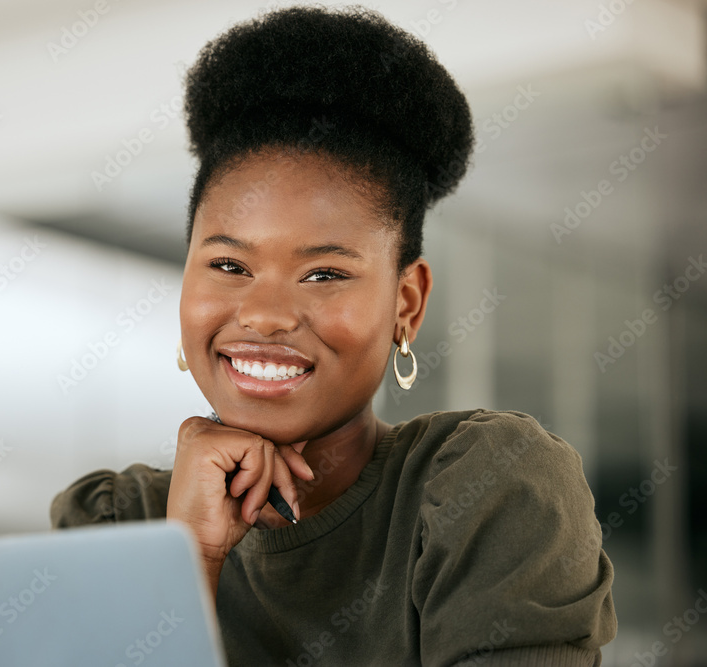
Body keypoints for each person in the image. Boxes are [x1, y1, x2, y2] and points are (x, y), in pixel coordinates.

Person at [50, 5, 617, 665]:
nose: (263, 314)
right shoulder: (116, 525)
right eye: (229, 265)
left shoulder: (485, 489)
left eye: (323, 273)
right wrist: (190, 559)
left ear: (406, 303)